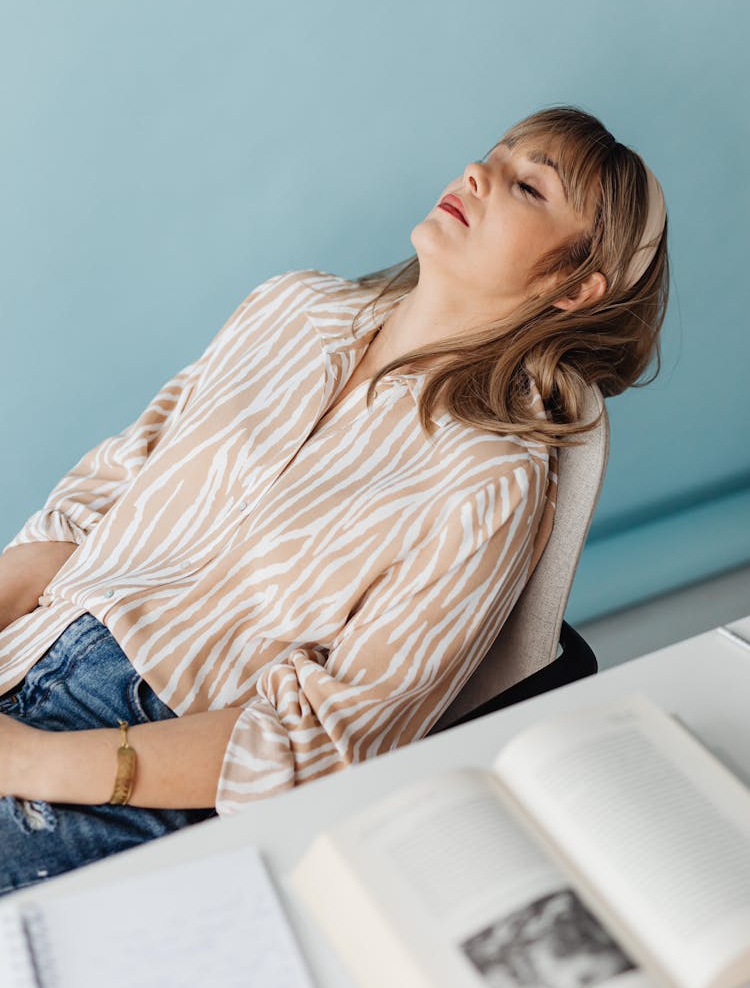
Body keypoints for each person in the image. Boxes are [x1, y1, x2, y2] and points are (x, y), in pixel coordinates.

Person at [0, 104, 669, 895]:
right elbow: (93, 503)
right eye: (492, 155)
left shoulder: (494, 479)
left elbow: (327, 741)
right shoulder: (291, 308)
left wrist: (34, 759)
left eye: (528, 186)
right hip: (26, 647)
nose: (477, 175)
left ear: (574, 286)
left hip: (145, 759)